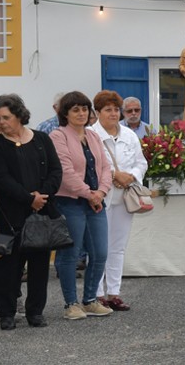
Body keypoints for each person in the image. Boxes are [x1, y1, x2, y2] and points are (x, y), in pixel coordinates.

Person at [0, 94, 62, 329]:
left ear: (19, 115)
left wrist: (41, 197)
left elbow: (55, 171)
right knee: (6, 267)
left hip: (41, 213)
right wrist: (29, 199)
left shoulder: (41, 139)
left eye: (5, 117)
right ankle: (7, 313)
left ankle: (35, 312)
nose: (1, 123)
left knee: (39, 266)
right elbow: (2, 178)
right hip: (9, 214)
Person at [49, 91, 114, 321]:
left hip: (95, 201)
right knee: (70, 254)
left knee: (100, 253)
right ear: (65, 113)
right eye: (75, 109)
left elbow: (106, 167)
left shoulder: (94, 136)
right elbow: (65, 172)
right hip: (70, 202)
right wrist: (90, 194)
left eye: (84, 109)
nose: (81, 113)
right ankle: (71, 304)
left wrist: (101, 192)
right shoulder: (58, 136)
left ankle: (89, 301)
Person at [91, 90, 147, 312]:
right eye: (108, 110)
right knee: (98, 247)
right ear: (97, 112)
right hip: (101, 196)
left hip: (124, 196)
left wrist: (131, 175)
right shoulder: (90, 134)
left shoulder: (129, 135)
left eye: (116, 109)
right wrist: (115, 174)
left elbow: (141, 162)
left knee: (118, 247)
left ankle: (114, 293)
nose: (113, 114)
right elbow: (91, 164)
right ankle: (95, 294)